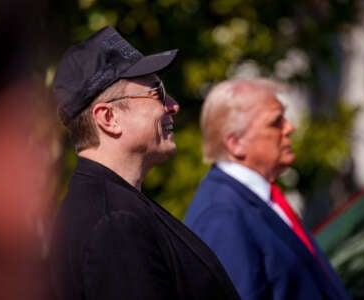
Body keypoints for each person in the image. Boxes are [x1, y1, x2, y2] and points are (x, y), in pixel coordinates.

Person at [49, 26, 240, 300]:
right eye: (157, 93)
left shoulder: (112, 206)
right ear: (108, 118)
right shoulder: (114, 224)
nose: (173, 105)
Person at [184, 78, 352, 300]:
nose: (289, 128)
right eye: (276, 122)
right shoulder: (222, 215)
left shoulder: (257, 199)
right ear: (235, 142)